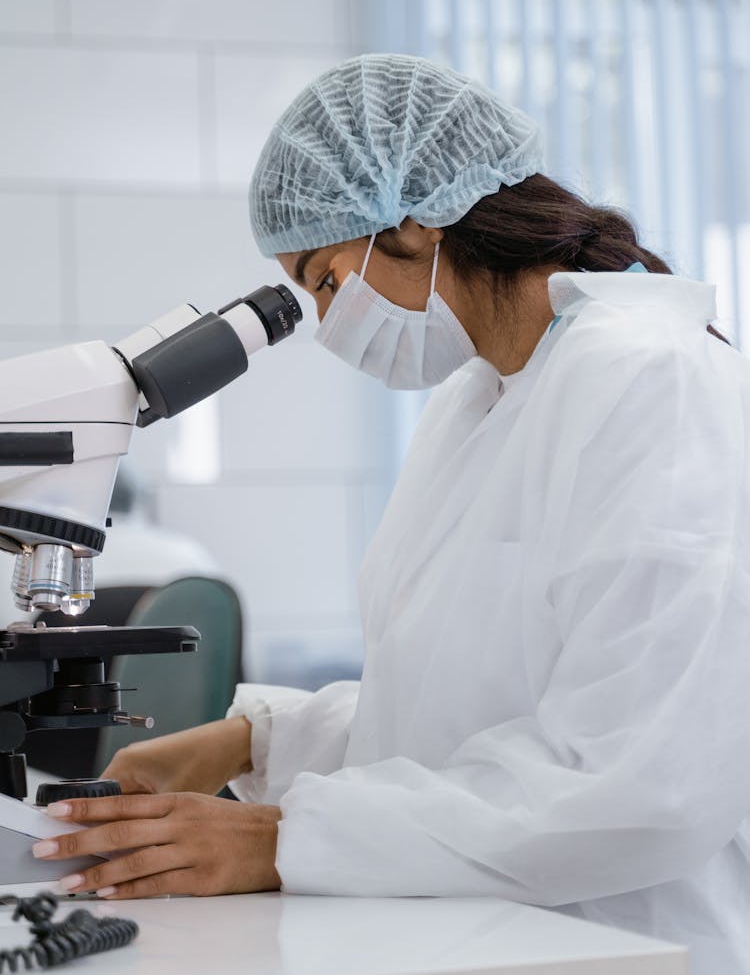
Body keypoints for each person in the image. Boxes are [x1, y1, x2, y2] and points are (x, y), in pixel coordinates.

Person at [34, 55, 750, 975]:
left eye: (327, 279)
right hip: (495, 936)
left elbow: (641, 779)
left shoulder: (655, 382)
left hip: (631, 941)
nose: (330, 324)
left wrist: (278, 839)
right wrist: (250, 739)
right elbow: (454, 706)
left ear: (416, 219)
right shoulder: (482, 401)